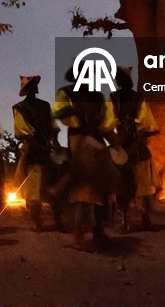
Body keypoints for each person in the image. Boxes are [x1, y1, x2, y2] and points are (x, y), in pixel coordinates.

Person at [53, 69, 120, 251]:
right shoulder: (68, 93)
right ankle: (79, 235)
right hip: (80, 142)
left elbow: (106, 125)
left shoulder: (97, 97)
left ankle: (98, 232)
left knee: (101, 186)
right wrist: (80, 115)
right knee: (84, 187)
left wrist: (116, 146)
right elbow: (60, 114)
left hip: (92, 141)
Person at [110, 66, 161, 232]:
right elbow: (144, 126)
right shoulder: (136, 98)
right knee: (140, 186)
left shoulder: (115, 98)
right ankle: (140, 220)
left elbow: (109, 125)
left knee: (131, 186)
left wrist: (123, 147)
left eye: (118, 77)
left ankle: (131, 221)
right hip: (133, 148)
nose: (117, 79)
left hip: (127, 149)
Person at [12, 74, 64, 231]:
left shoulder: (45, 106)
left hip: (46, 150)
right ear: (29, 89)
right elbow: (24, 133)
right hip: (33, 151)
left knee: (54, 185)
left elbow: (53, 127)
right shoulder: (19, 107)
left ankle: (58, 221)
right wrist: (44, 146)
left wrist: (54, 145)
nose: (37, 86)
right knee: (34, 189)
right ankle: (37, 222)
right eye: (34, 84)